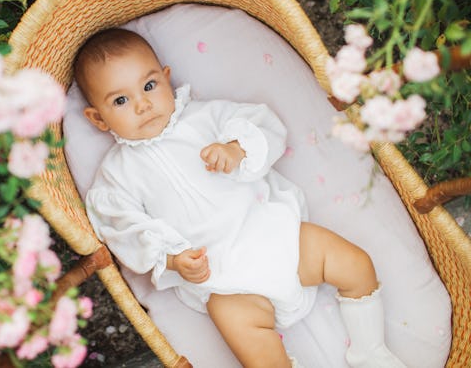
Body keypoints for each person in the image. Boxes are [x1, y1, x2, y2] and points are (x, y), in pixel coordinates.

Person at [74, 28, 405, 368]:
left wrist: (236, 148)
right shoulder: (117, 176)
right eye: (120, 100)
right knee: (244, 337)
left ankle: (370, 351)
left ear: (167, 79)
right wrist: (171, 259)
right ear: (98, 118)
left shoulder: (206, 117)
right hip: (224, 280)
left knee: (356, 264)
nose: (142, 105)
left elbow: (263, 124)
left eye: (149, 86)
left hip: (278, 234)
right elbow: (121, 228)